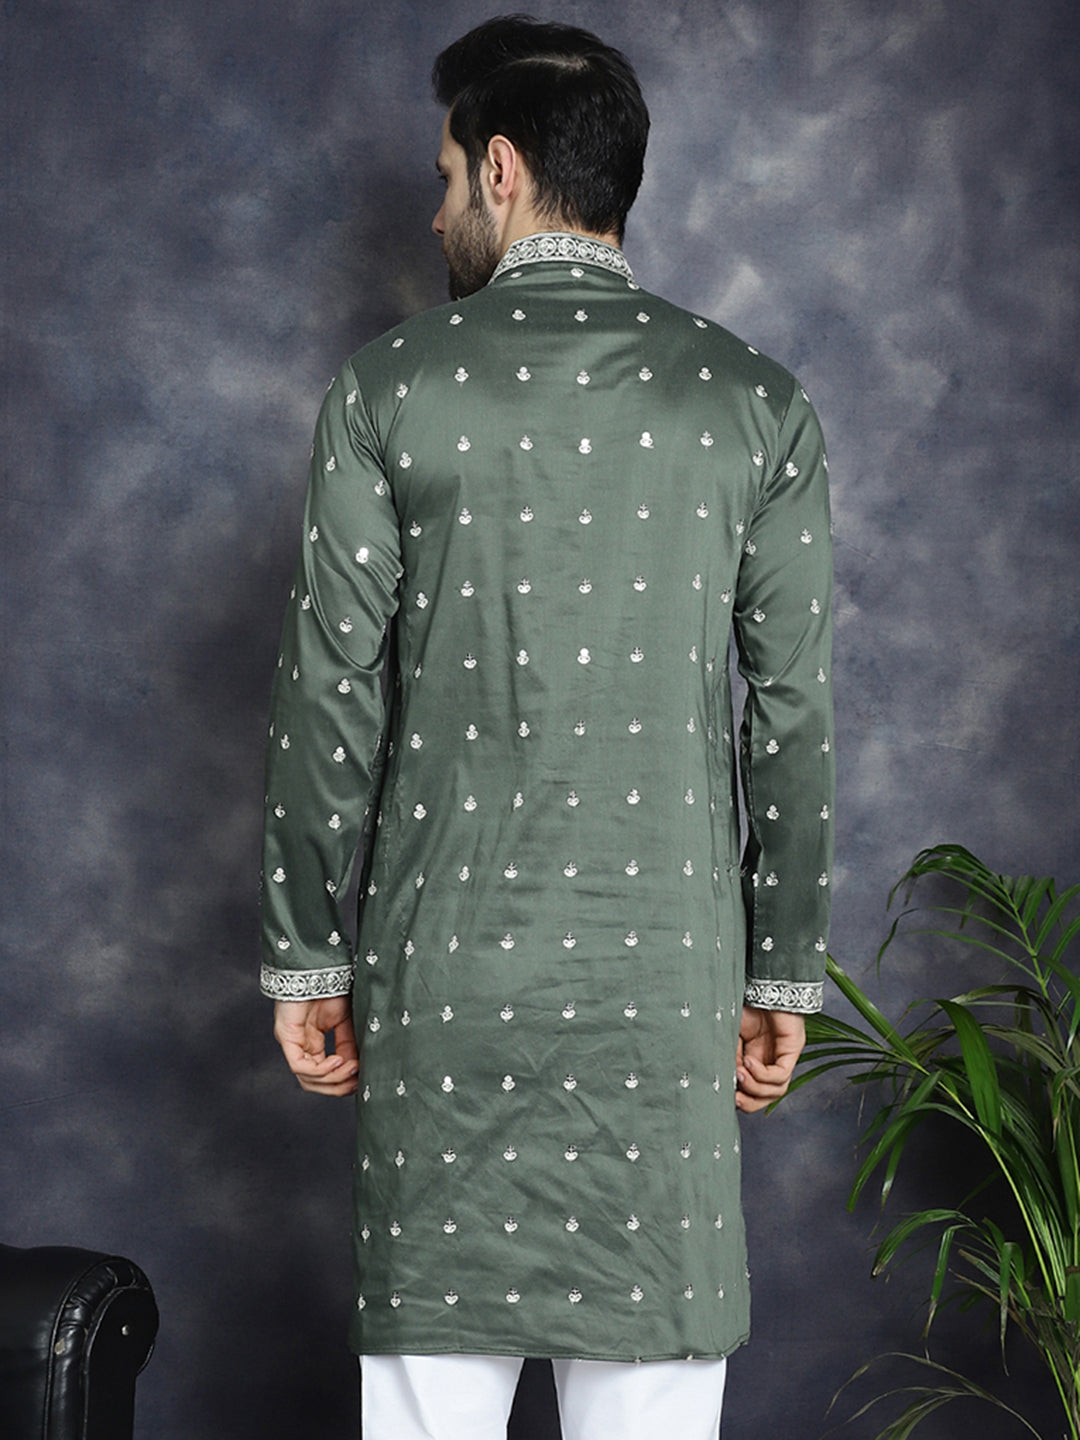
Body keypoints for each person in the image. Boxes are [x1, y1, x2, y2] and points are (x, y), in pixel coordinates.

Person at [260, 15, 833, 1439]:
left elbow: (330, 692)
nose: (436, 211)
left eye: (448, 177)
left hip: (444, 988)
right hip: (664, 1001)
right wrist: (780, 972)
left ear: (504, 170)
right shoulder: (756, 403)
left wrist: (305, 953)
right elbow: (792, 713)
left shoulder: (389, 388)